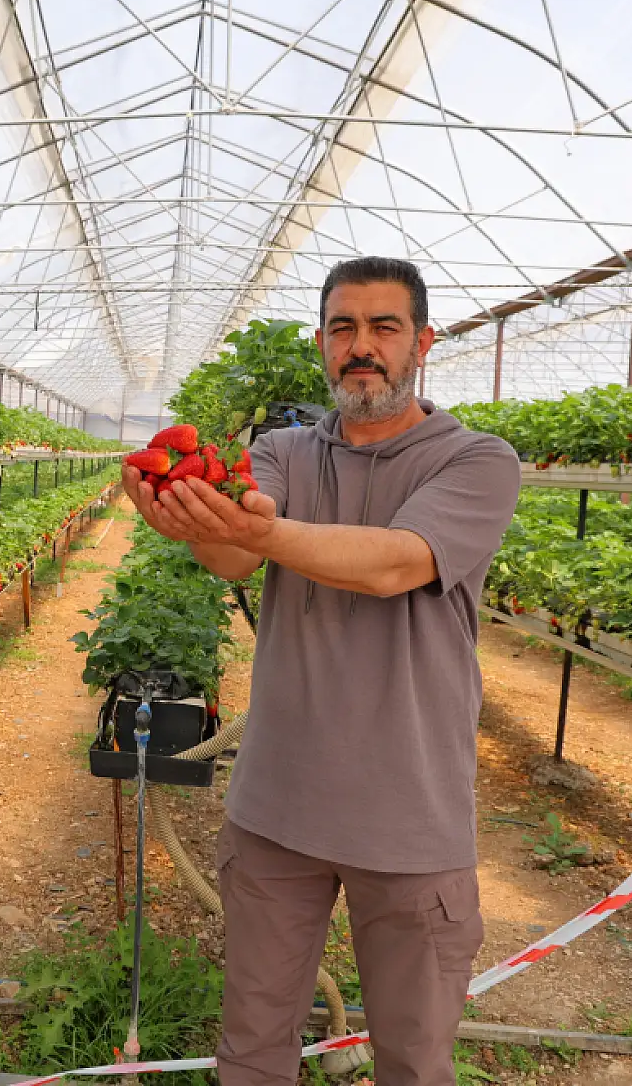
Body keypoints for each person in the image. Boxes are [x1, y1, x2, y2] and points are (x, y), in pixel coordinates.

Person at [122, 257, 521, 1086]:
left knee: (413, 1059)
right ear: (321, 343)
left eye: (383, 327)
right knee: (253, 1049)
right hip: (278, 807)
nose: (361, 346)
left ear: (422, 343)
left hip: (409, 815)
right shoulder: (282, 450)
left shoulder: (476, 460)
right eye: (344, 328)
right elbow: (235, 552)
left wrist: (259, 531)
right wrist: (193, 517)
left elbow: (395, 563)